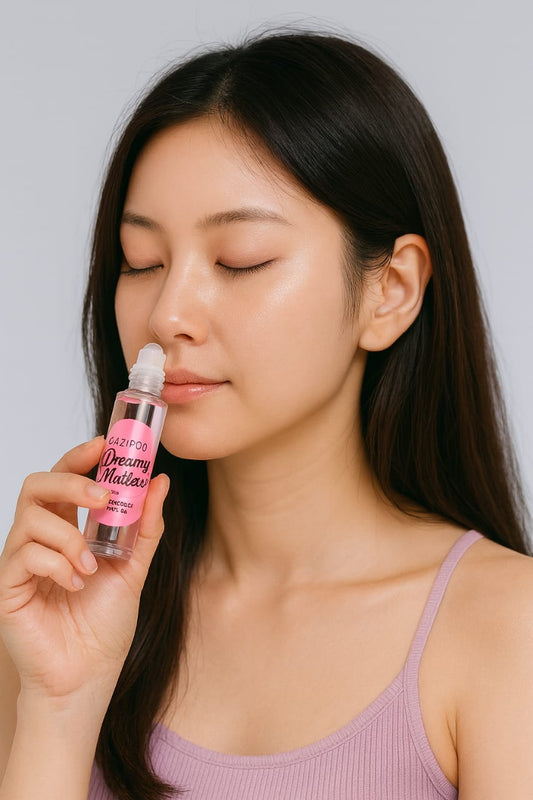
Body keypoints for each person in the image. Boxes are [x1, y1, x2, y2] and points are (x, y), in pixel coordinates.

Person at [0, 29, 532, 800]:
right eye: (141, 262)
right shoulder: (60, 619)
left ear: (390, 291)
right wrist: (59, 706)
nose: (168, 314)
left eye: (239, 259)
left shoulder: (505, 628)